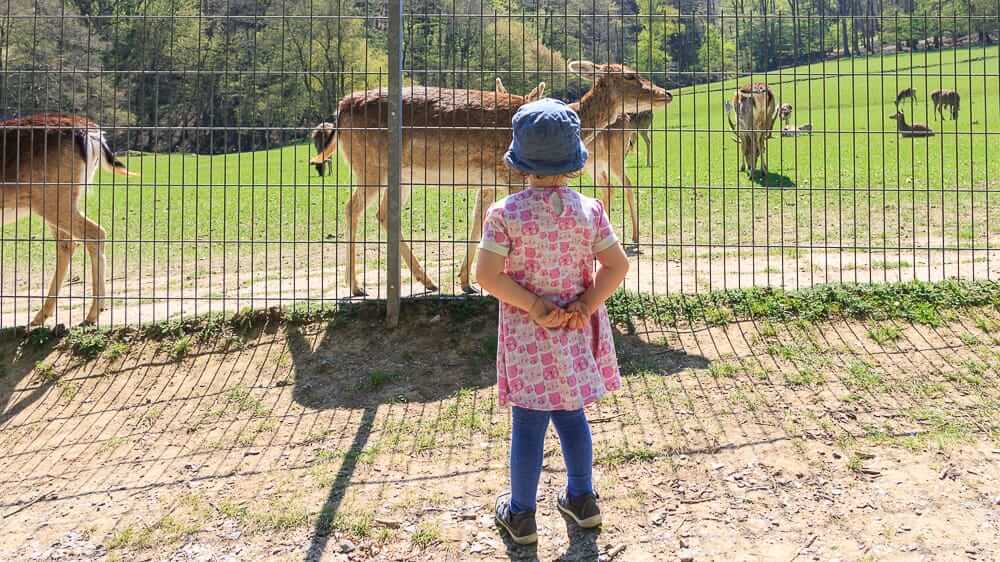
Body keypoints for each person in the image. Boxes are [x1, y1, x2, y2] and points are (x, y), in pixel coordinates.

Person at [476, 98, 630, 545]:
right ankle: (582, 500)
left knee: (528, 422)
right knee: (572, 414)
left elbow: (485, 276)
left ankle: (521, 515)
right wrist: (585, 303)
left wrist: (534, 306)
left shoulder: (504, 214)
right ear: (574, 158)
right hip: (574, 332)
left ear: (520, 159)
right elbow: (617, 267)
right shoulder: (590, 211)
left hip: (529, 337)